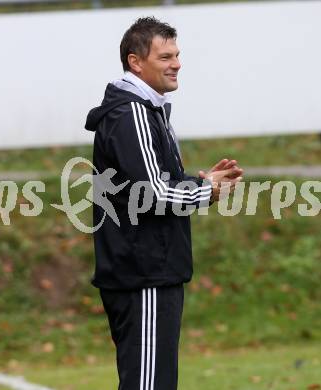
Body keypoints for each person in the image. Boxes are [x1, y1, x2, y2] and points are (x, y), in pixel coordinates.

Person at [85, 16, 243, 390]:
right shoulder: (133, 113)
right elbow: (153, 193)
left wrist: (200, 182)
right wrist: (207, 193)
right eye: (165, 56)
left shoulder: (148, 109)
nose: (177, 64)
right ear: (135, 62)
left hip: (150, 271)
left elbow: (151, 183)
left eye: (177, 54)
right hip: (144, 275)